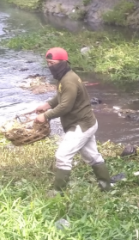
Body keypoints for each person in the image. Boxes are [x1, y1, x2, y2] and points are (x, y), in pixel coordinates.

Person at [34, 47, 112, 192]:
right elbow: (62, 95)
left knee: (62, 156)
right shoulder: (66, 76)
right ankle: (106, 186)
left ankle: (57, 193)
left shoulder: (68, 80)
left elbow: (65, 106)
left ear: (63, 62)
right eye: (48, 63)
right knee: (92, 156)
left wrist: (45, 116)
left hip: (81, 125)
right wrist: (48, 104)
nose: (50, 66)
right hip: (87, 122)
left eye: (52, 63)